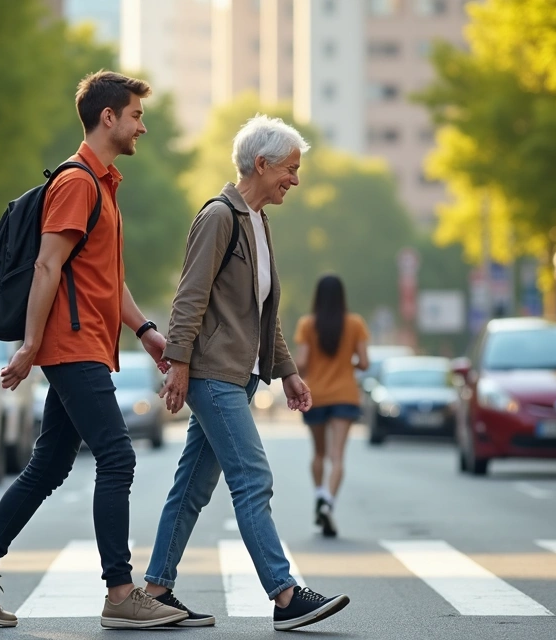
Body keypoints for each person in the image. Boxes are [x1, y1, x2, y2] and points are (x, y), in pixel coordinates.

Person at [0, 71, 186, 630]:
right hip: (71, 345)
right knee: (118, 458)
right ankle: (121, 592)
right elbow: (47, 265)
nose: (141, 127)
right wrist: (30, 345)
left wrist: (146, 331)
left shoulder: (104, 186)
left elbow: (107, 279)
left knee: (49, 464)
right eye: (136, 116)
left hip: (89, 344)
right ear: (108, 118)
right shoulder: (77, 183)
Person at [147, 115, 350, 631]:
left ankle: (154, 591)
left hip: (241, 375)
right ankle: (284, 596)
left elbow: (264, 313)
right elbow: (189, 298)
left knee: (191, 487)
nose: (295, 180)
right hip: (214, 375)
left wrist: (287, 372)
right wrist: (178, 365)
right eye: (290, 169)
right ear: (260, 164)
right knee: (252, 478)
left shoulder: (259, 222)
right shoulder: (219, 216)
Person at [293, 275, 369, 538]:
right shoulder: (355, 323)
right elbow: (365, 363)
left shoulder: (307, 324)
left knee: (318, 454)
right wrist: (347, 361)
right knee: (337, 457)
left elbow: (301, 363)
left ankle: (318, 495)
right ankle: (328, 501)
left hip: (316, 396)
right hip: (345, 396)